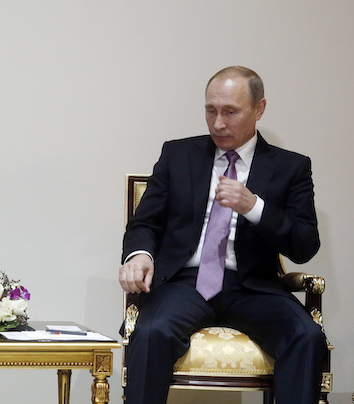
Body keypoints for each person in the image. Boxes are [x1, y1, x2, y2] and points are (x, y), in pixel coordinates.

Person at [118, 66, 326, 403]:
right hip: (185, 283)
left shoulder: (291, 167)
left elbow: (305, 245)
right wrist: (139, 255)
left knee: (306, 336)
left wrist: (255, 207)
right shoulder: (178, 155)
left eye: (230, 111)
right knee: (152, 331)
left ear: (259, 109)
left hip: (253, 286)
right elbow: (145, 223)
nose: (218, 123)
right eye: (211, 110)